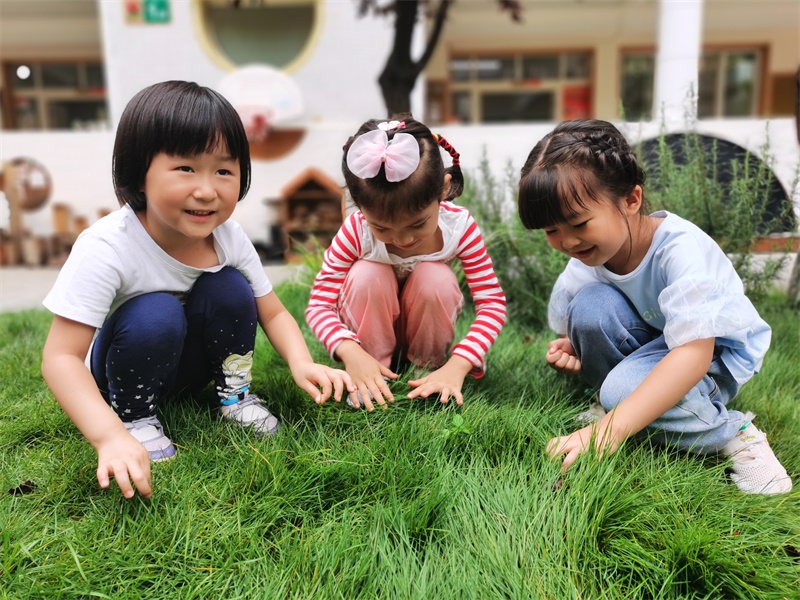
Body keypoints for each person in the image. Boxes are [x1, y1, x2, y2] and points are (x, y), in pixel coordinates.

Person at [41, 81, 353, 500]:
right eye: (186, 168)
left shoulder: (229, 237)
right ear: (139, 173)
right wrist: (108, 436)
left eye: (223, 171)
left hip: (187, 365)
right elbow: (61, 358)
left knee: (230, 286)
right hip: (122, 368)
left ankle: (235, 397)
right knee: (157, 312)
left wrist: (301, 363)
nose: (207, 190)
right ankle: (134, 419)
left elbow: (274, 312)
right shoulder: (108, 246)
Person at [517, 119, 792, 495]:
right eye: (551, 231)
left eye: (578, 223)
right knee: (588, 307)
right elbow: (581, 323)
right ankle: (623, 405)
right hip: (659, 342)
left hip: (713, 355)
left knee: (621, 394)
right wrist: (571, 346)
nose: (567, 242)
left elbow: (693, 356)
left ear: (630, 201)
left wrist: (608, 433)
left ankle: (733, 432)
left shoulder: (678, 250)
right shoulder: (588, 258)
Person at [305, 116, 506, 410]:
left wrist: (459, 363)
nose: (401, 239)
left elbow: (492, 304)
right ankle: (372, 371)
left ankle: (429, 369)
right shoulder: (357, 231)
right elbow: (319, 305)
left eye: (417, 223)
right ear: (359, 207)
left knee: (436, 277)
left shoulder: (459, 228)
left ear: (443, 188)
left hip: (425, 335)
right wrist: (351, 353)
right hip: (367, 338)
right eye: (382, 228)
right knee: (367, 274)